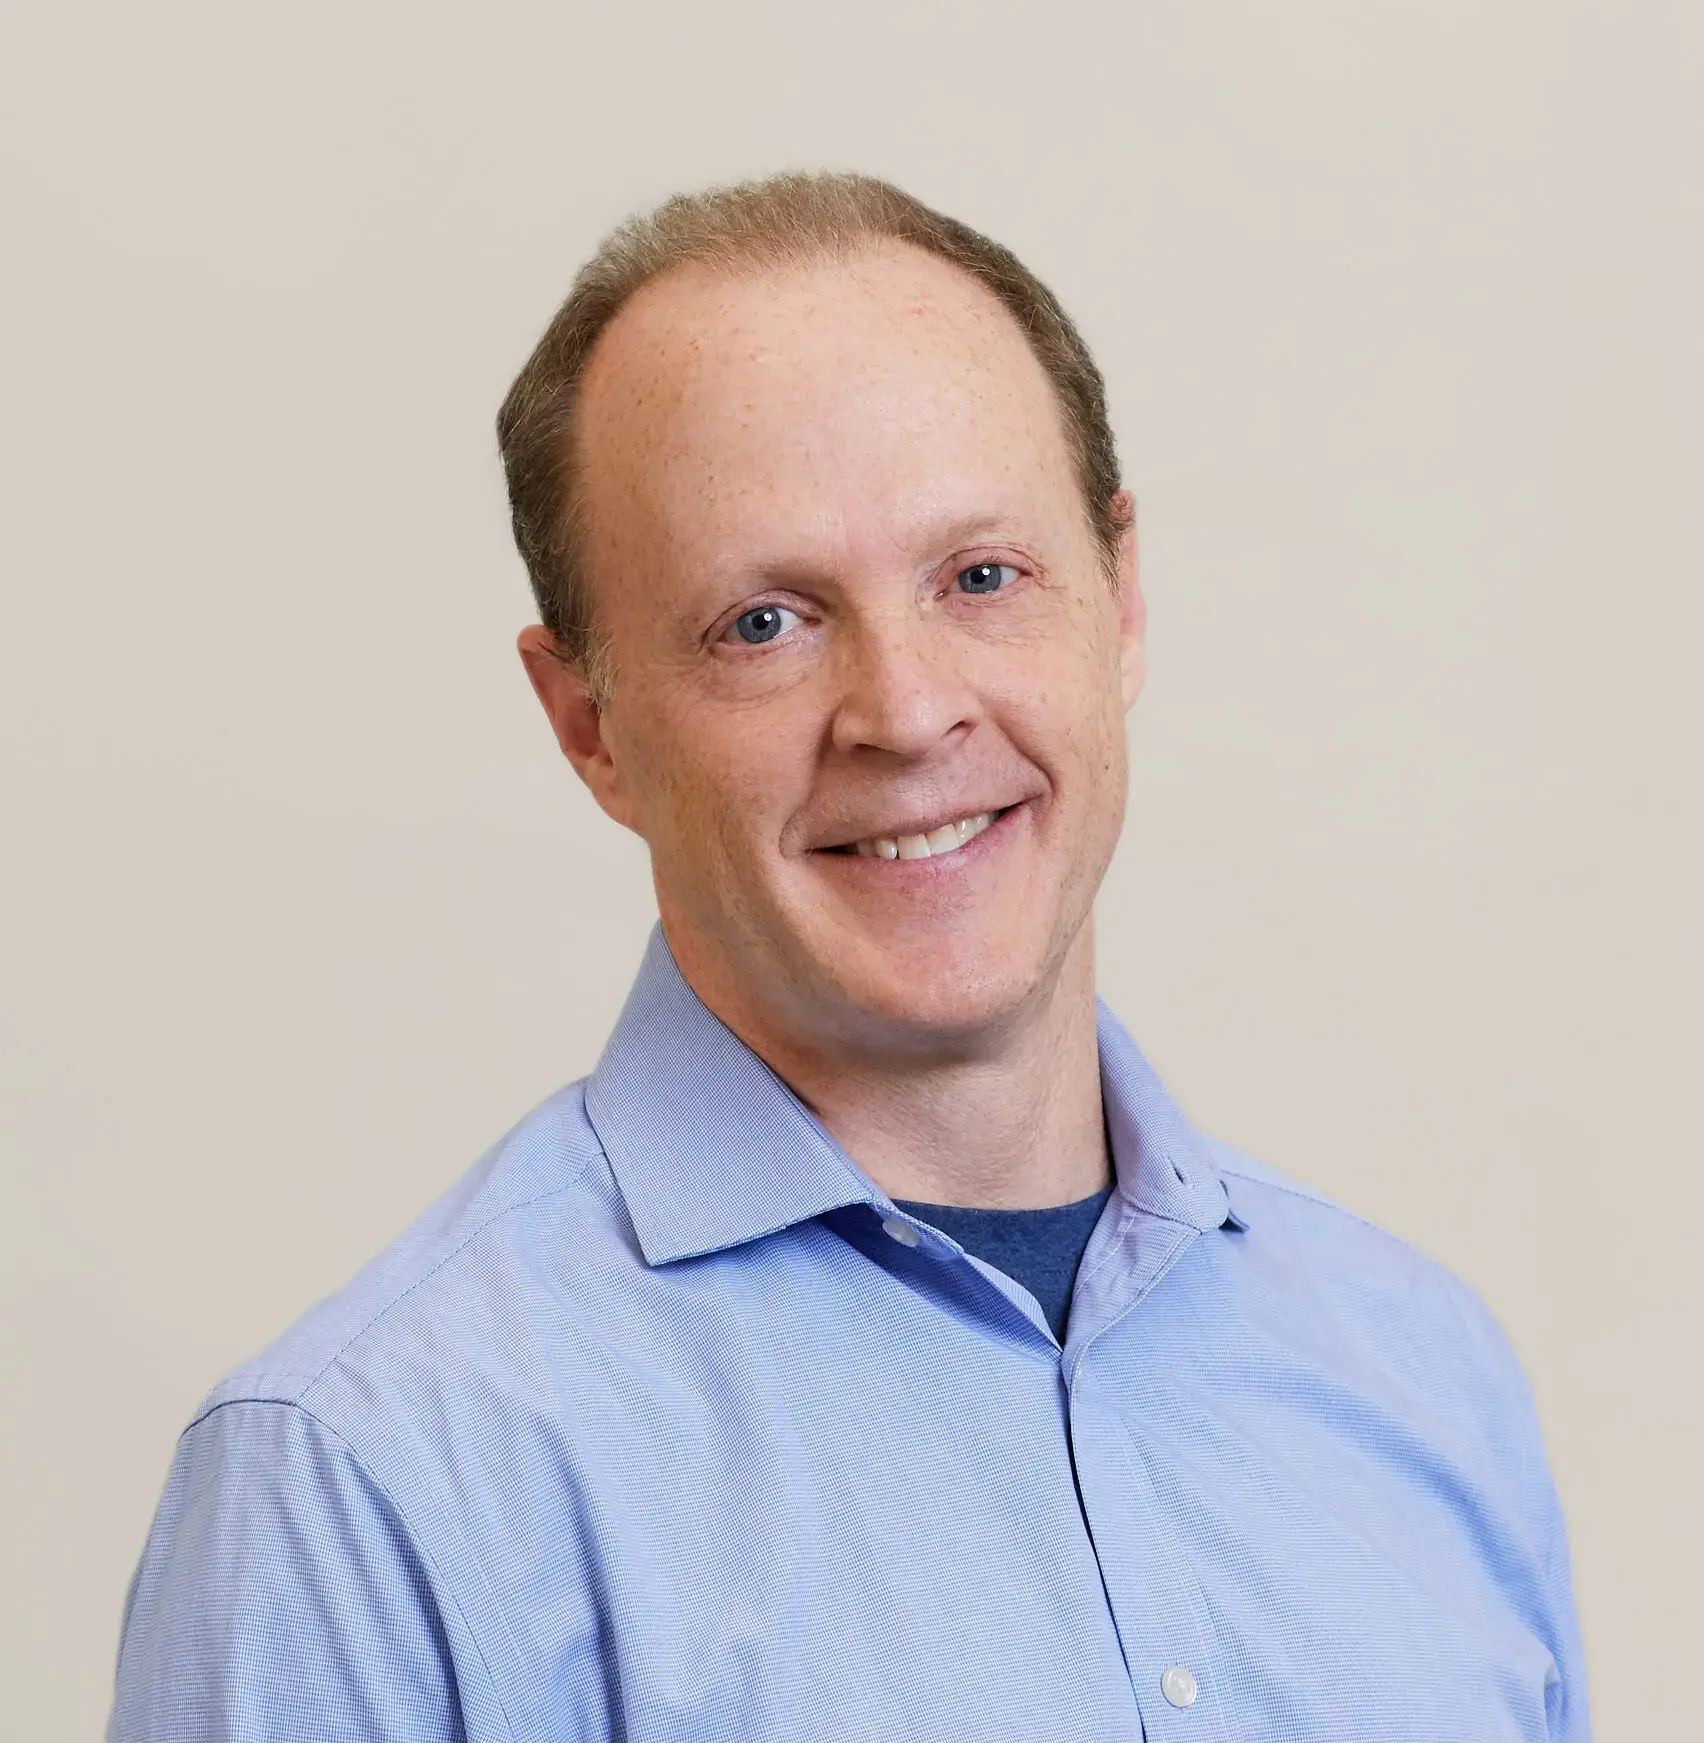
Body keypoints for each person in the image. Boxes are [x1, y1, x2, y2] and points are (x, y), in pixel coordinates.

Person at [108, 172, 1589, 1741]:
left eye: (980, 576)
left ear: (1121, 599)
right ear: (588, 724)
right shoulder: (370, 1483)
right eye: (764, 622)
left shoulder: (1422, 1374)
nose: (905, 709)